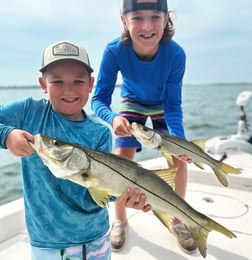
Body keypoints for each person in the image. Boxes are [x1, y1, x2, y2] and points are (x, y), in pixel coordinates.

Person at [0, 40, 150, 260]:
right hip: (46, 243)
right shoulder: (28, 112)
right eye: (57, 81)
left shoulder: (99, 133)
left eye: (78, 81)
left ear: (91, 84)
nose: (68, 89)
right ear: (43, 83)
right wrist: (7, 135)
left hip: (95, 238)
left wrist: (124, 196)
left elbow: (100, 193)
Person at [91, 0, 197, 255]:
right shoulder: (114, 50)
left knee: (178, 161)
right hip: (132, 105)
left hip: (163, 106)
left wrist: (178, 142)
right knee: (120, 163)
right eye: (137, 17)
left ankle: (176, 220)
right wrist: (114, 118)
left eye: (154, 17)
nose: (147, 26)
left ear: (166, 18)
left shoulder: (176, 53)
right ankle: (119, 220)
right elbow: (99, 99)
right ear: (123, 20)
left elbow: (173, 105)